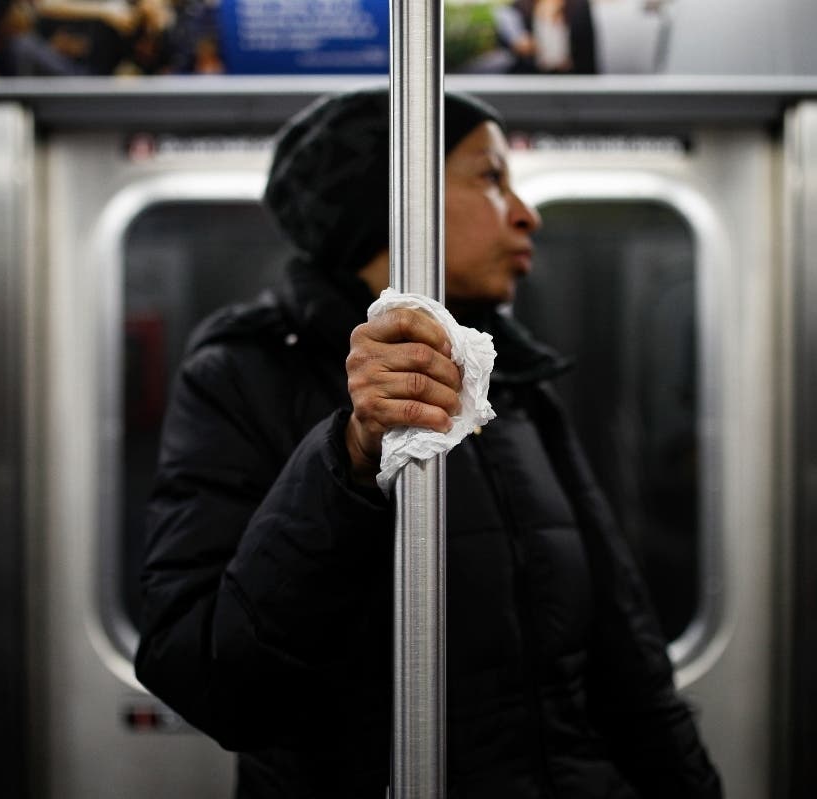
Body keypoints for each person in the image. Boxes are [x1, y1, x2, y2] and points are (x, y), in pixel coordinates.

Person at [134, 87, 722, 798]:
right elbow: (210, 678)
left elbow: (626, 667)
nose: (526, 212)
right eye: (490, 176)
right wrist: (346, 457)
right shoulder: (241, 376)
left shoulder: (516, 385)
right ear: (397, 203)